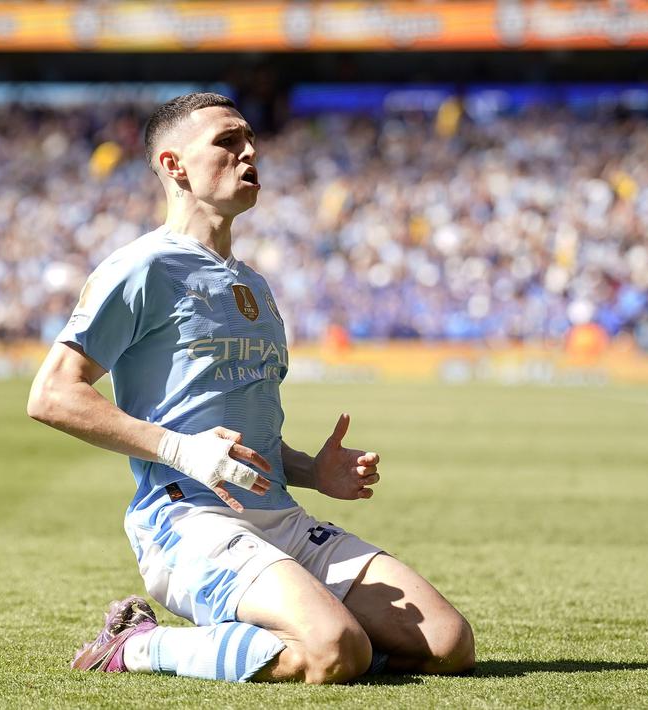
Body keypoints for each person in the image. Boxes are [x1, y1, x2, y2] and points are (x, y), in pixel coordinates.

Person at [26, 92, 475, 684]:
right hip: (188, 519)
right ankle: (136, 645)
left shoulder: (255, 287)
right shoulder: (141, 269)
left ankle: (306, 628)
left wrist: (315, 471)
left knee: (448, 644)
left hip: (280, 517)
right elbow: (51, 395)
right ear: (173, 165)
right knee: (332, 649)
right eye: (227, 141)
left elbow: (242, 441)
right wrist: (180, 449)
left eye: (251, 140)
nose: (249, 152)